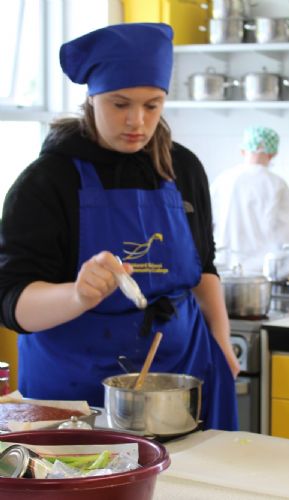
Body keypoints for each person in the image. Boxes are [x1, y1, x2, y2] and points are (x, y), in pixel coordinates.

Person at [0, 23, 239, 431]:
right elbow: (12, 302)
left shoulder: (183, 169)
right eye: (120, 104)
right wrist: (77, 295)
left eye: (152, 105)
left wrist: (222, 341)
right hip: (75, 392)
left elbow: (203, 269)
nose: (137, 122)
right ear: (92, 98)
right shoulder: (48, 181)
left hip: (180, 379)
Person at [210, 126, 289, 273]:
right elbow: (286, 235)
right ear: (273, 154)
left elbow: (207, 221)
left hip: (223, 265)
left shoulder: (222, 180)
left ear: (242, 151)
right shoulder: (277, 184)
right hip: (260, 269)